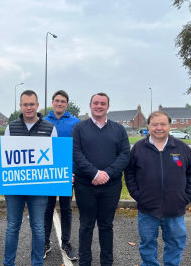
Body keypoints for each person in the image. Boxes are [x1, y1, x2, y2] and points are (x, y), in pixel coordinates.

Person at [124, 111, 191, 266]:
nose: (159, 128)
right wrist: (138, 195)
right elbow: (130, 173)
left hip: (175, 209)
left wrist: (185, 198)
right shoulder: (139, 148)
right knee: (147, 245)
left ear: (169, 126)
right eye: (155, 124)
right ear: (149, 126)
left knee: (175, 244)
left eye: (163, 124)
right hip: (147, 209)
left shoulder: (182, 148)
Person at [72, 92, 130, 266]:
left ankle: (107, 262)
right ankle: (85, 262)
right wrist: (94, 173)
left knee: (106, 226)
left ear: (108, 107)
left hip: (111, 187)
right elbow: (76, 153)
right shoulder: (80, 128)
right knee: (86, 225)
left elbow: (125, 154)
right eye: (96, 103)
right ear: (90, 105)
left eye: (103, 103)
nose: (99, 106)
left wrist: (107, 174)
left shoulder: (119, 129)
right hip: (85, 185)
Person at [3, 90, 58, 266]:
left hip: (39, 186)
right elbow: (4, 157)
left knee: (38, 227)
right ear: (20, 106)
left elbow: (56, 158)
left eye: (32, 104)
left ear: (37, 105)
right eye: (25, 104)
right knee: (12, 227)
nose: (28, 107)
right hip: (14, 186)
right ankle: (8, 263)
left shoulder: (50, 128)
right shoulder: (11, 127)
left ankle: (37, 263)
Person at [43, 90, 79, 260]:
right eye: (57, 101)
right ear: (52, 102)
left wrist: (73, 170)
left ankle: (66, 242)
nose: (59, 103)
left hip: (66, 174)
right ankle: (44, 242)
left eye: (63, 101)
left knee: (66, 208)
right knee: (47, 207)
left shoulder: (75, 123)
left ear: (67, 103)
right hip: (47, 173)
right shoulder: (42, 121)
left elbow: (78, 148)